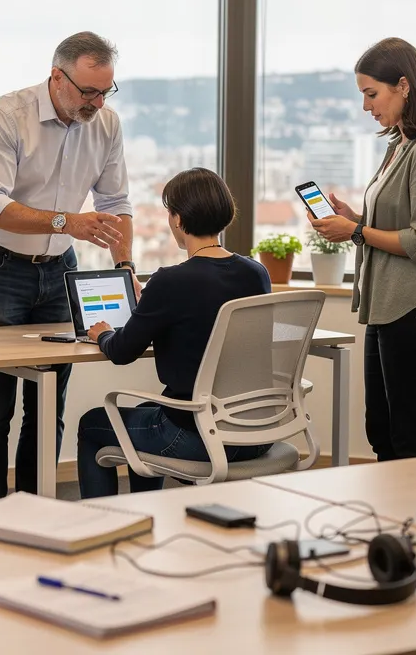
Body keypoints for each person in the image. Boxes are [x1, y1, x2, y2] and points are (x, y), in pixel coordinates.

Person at [0, 31, 135, 502]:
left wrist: (126, 267)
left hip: (60, 269)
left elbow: (116, 203)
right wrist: (67, 221)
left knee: (47, 403)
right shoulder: (6, 116)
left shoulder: (107, 125)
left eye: (106, 91)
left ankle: (37, 509)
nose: (97, 102)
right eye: (88, 91)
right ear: (57, 77)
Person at [309, 38, 416, 461]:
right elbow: (398, 224)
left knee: (410, 437)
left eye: (371, 94)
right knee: (382, 431)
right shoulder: (402, 144)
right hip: (388, 308)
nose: (366, 107)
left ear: (404, 86)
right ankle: (393, 520)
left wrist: (356, 231)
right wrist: (354, 218)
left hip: (415, 310)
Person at [76, 168, 271, 498]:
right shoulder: (256, 273)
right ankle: (150, 511)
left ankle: (102, 527)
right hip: (254, 435)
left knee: (93, 424)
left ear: (177, 219)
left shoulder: (170, 281)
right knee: (142, 414)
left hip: (194, 436)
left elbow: (122, 352)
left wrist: (103, 334)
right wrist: (152, 305)